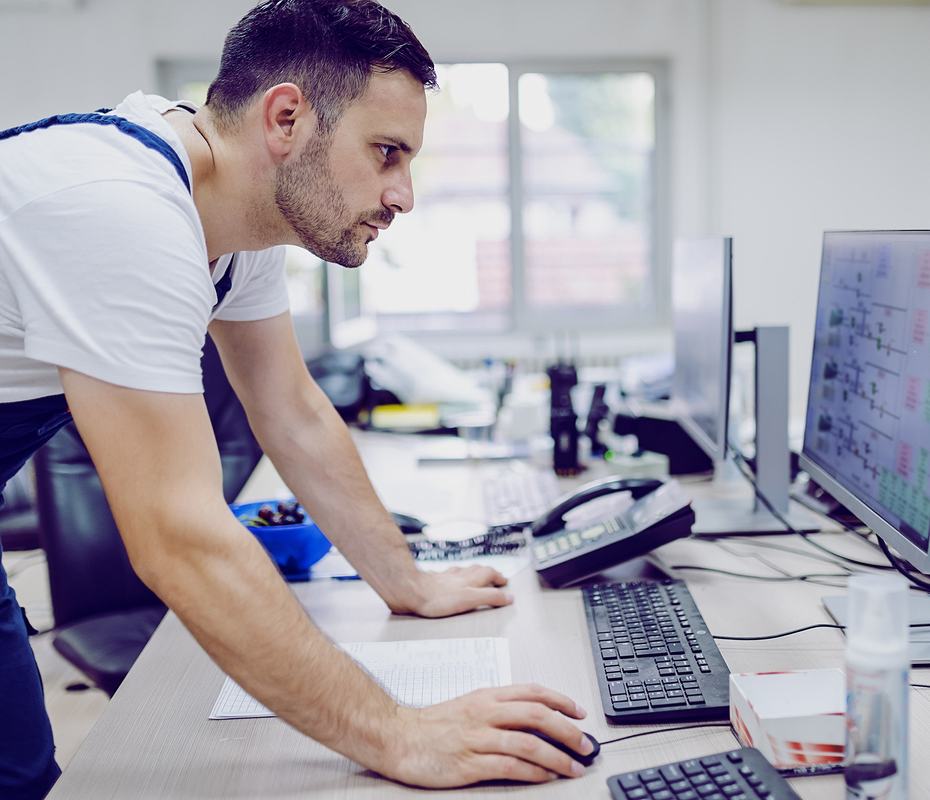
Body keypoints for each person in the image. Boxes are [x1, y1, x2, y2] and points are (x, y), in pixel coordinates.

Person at [0, 1, 593, 796]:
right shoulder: (119, 210)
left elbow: (290, 408)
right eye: (386, 152)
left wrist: (404, 580)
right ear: (287, 118)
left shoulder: (230, 219)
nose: (404, 194)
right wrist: (400, 734)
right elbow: (180, 538)